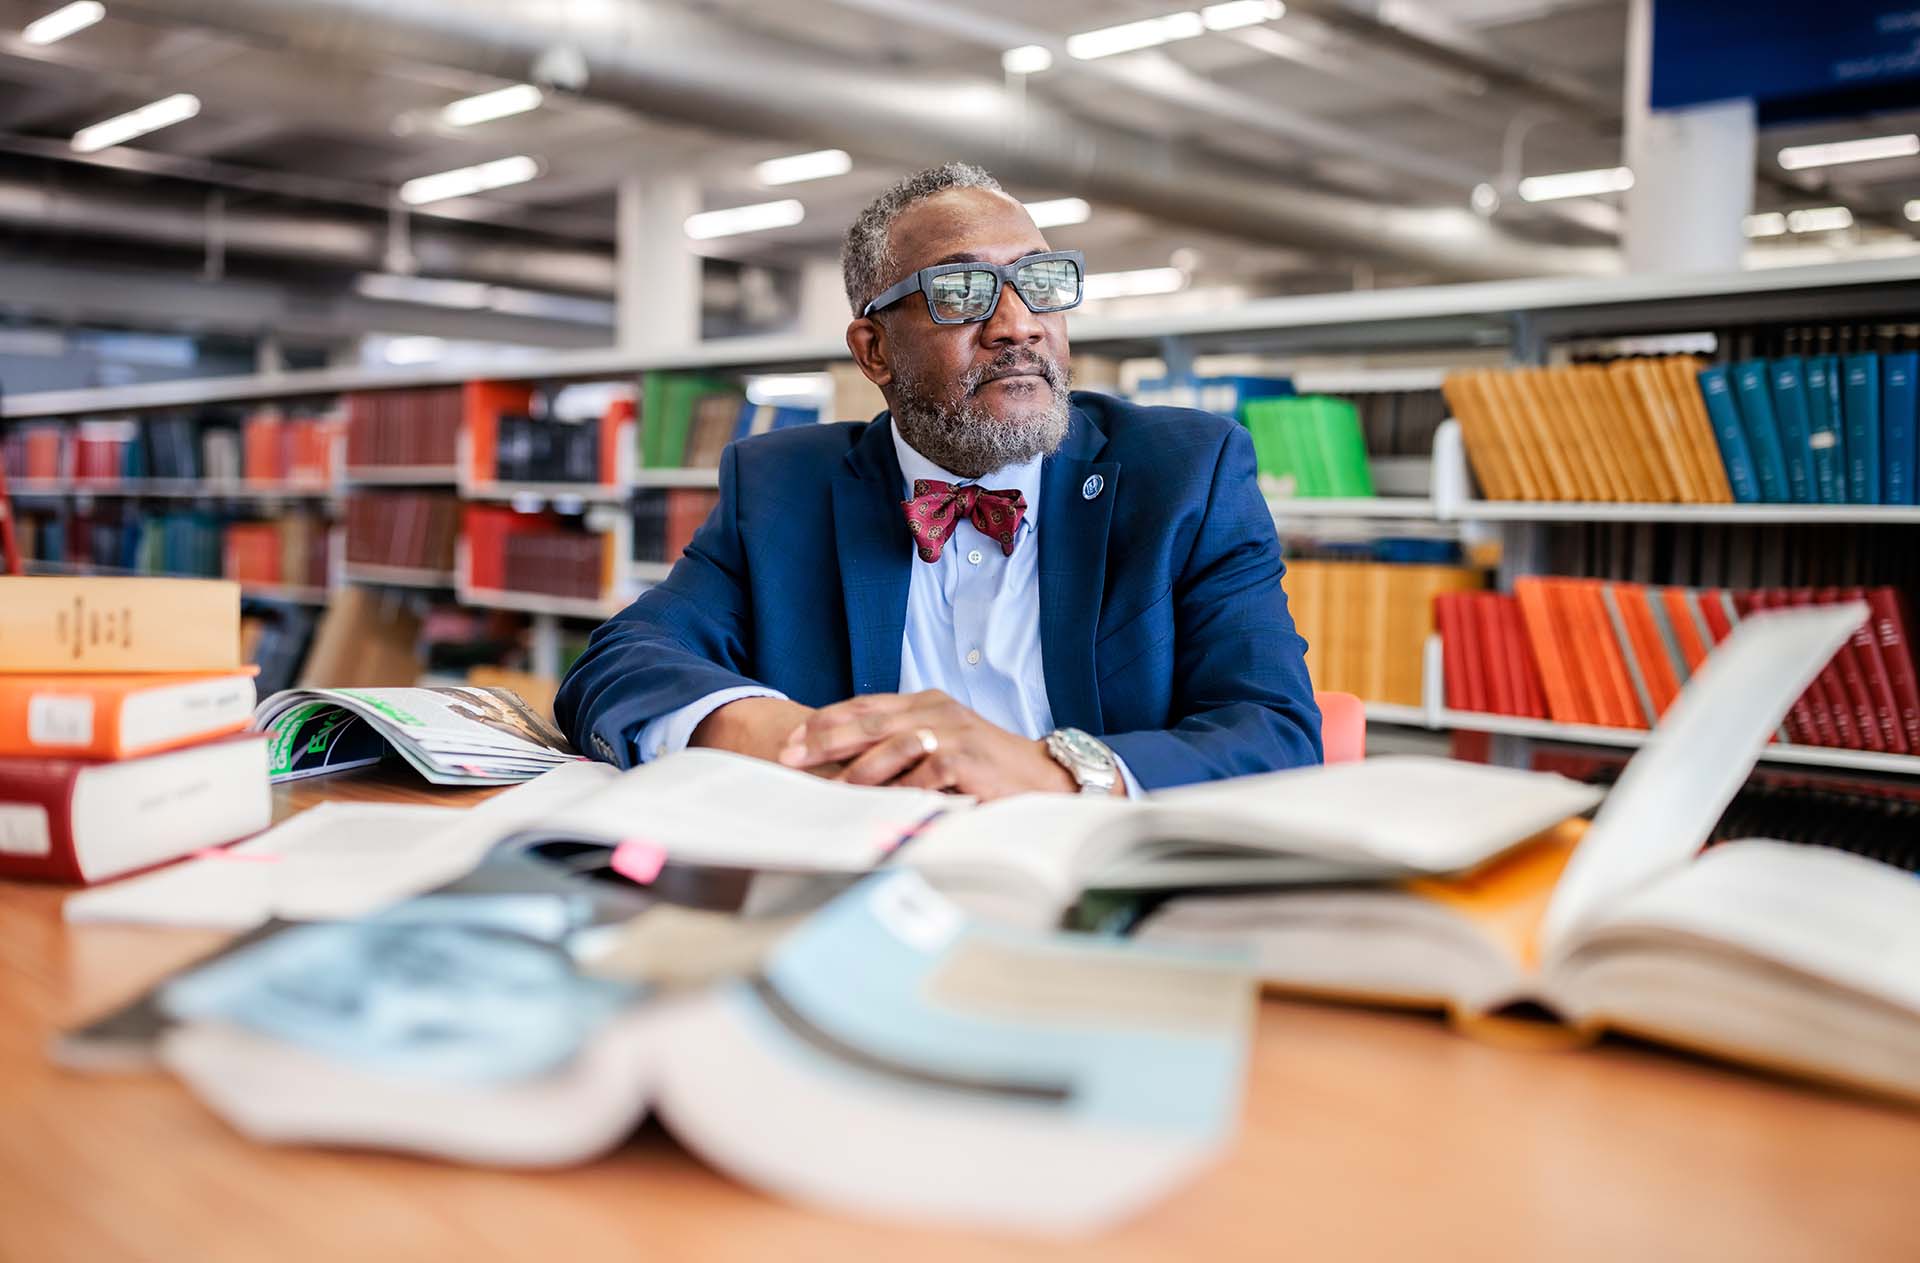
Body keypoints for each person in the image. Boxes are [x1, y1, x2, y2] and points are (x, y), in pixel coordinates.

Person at [556, 162, 1319, 800]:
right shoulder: (783, 486)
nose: (1018, 324)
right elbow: (618, 660)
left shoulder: (1187, 471)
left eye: (1041, 283)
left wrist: (1049, 771)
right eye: (962, 292)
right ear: (874, 351)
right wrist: (779, 732)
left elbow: (1274, 731)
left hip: (1098, 886)